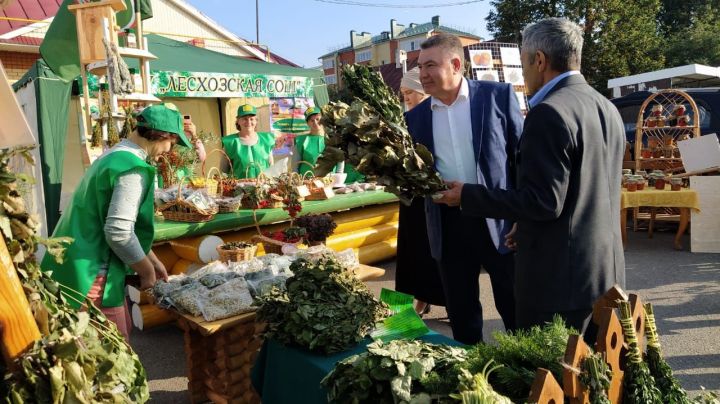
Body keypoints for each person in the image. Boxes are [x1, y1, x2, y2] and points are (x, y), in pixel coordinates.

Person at [435, 18, 626, 338]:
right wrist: (524, 224)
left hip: (559, 285)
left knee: (555, 381)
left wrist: (467, 195)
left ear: (540, 60)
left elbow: (543, 201)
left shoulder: (550, 112)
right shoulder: (605, 107)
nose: (523, 73)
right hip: (605, 275)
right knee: (594, 379)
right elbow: (578, 192)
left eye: (524, 62)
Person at [405, 33, 524, 344]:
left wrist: (521, 219)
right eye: (420, 67)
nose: (424, 74)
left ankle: (528, 373)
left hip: (498, 218)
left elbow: (521, 160)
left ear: (456, 64)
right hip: (448, 222)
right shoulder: (414, 119)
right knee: (461, 310)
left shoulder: (496, 96)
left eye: (431, 65)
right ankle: (472, 378)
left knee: (514, 304)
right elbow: (415, 175)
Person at [41, 104, 193, 340]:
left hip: (72, 261)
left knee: (105, 337)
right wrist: (146, 273)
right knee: (112, 348)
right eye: (172, 143)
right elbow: (118, 232)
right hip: (91, 270)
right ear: (162, 135)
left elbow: (120, 225)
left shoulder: (113, 155)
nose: (169, 150)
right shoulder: (132, 168)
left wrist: (152, 260)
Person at [395, 67, 446, 316]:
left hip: (429, 197)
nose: (406, 97)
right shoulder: (406, 120)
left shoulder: (435, 117)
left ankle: (432, 303)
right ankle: (405, 313)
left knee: (430, 254)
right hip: (411, 199)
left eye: (409, 92)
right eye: (403, 93)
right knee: (408, 255)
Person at [222, 104, 275, 178]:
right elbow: (223, 171)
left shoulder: (266, 140)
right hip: (238, 188)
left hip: (264, 187)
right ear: (238, 121)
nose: (248, 122)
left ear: (256, 121)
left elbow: (271, 166)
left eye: (251, 119)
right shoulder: (230, 142)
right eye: (244, 119)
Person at [294, 106, 325, 176]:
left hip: (329, 180)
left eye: (317, 119)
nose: (315, 122)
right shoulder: (301, 140)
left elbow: (340, 160)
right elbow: (295, 164)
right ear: (307, 123)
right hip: (307, 180)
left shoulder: (333, 138)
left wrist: (338, 176)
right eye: (312, 120)